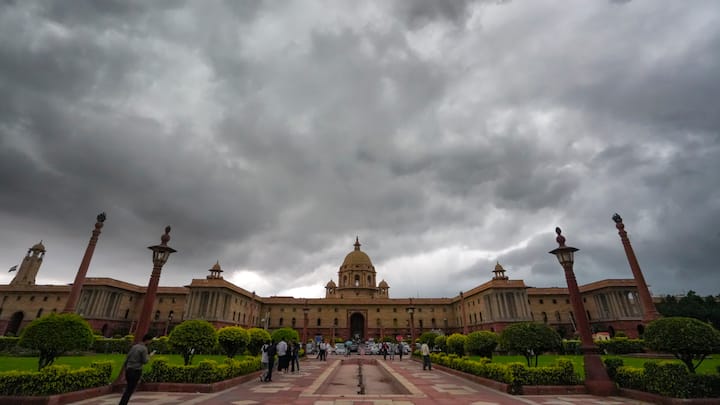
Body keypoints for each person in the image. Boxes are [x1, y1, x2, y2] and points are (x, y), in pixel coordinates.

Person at [119, 333, 154, 405]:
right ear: (147, 340)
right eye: (150, 341)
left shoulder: (134, 347)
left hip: (129, 369)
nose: (150, 342)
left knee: (128, 388)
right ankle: (122, 403)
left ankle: (123, 403)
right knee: (130, 389)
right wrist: (150, 356)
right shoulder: (144, 349)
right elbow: (145, 361)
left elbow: (127, 358)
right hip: (136, 370)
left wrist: (126, 368)